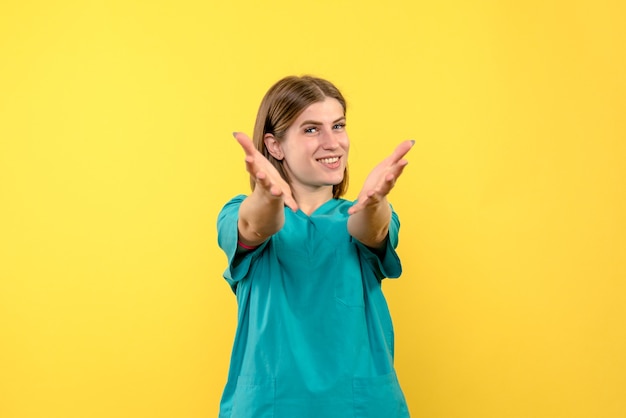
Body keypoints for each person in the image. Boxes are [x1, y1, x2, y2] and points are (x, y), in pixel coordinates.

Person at [217, 75, 413, 418]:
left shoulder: (360, 217)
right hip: (269, 408)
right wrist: (267, 195)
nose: (332, 142)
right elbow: (256, 225)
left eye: (338, 126)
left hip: (362, 409)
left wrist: (374, 202)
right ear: (274, 146)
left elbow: (370, 228)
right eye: (311, 129)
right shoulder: (238, 212)